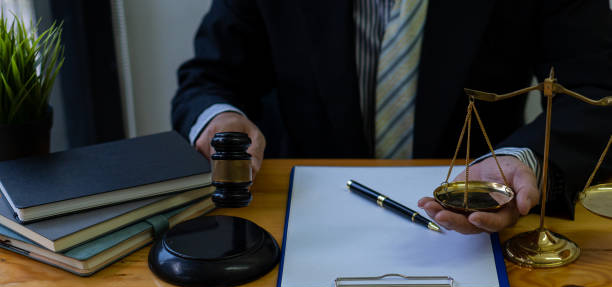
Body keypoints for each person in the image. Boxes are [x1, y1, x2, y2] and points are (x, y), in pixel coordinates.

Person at [172, 0, 612, 234]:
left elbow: (597, 88)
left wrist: (523, 159)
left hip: (479, 224)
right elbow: (209, 79)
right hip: (292, 219)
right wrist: (220, 119)